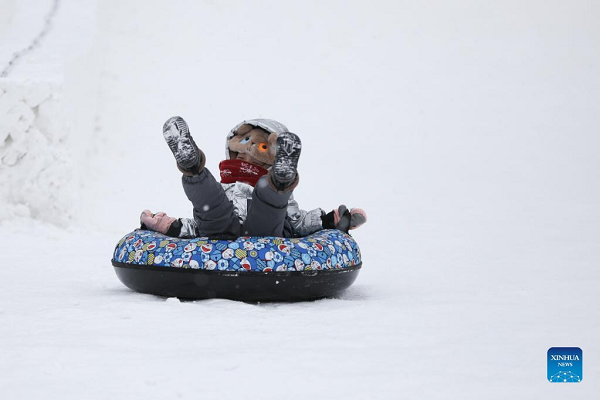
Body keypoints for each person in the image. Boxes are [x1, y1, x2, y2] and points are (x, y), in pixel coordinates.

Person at [140, 117, 366, 239]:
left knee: (268, 201)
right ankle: (192, 166)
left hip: (264, 233)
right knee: (211, 203)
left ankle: (280, 181)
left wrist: (330, 221)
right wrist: (167, 225)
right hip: (219, 231)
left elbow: (296, 222)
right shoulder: (225, 188)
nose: (247, 157)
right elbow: (200, 223)